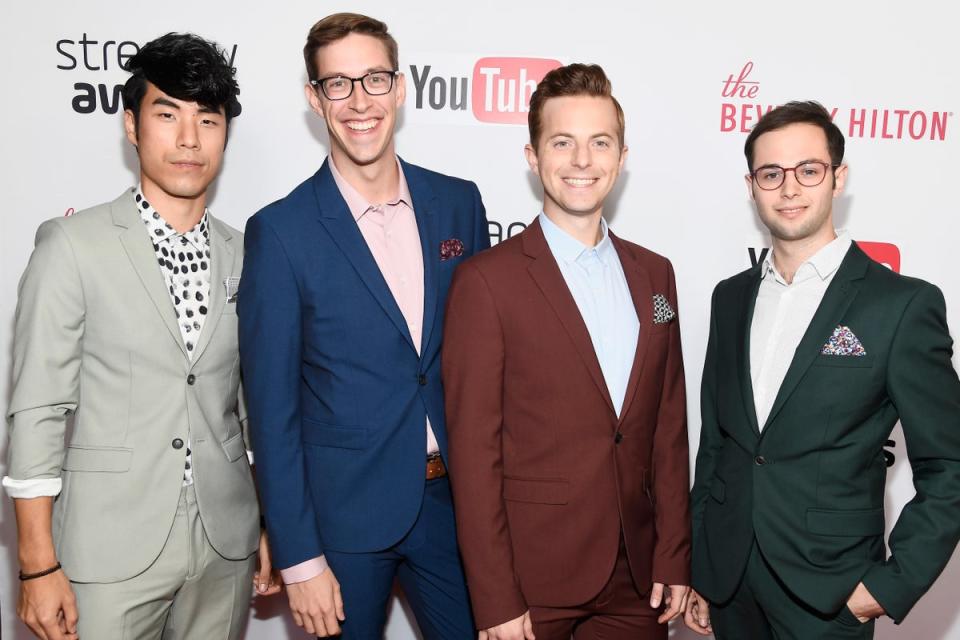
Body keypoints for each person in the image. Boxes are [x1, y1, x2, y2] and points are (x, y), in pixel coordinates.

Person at [5, 32, 277, 640]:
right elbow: (37, 410)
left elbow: (252, 405)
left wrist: (267, 522)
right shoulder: (71, 245)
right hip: (107, 549)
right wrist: (35, 563)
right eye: (167, 115)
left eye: (207, 120)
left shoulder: (249, 251)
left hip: (224, 542)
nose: (188, 139)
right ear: (131, 126)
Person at [238, 12, 489, 639]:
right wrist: (297, 556)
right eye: (338, 84)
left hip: (455, 507)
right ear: (314, 99)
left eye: (374, 80)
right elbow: (272, 413)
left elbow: (483, 365)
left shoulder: (459, 202)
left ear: (401, 89)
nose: (359, 102)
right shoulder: (282, 231)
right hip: (341, 522)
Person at [685, 101, 960, 639]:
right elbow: (716, 445)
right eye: (771, 174)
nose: (790, 189)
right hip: (729, 584)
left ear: (838, 177)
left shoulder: (900, 306)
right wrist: (701, 563)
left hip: (830, 597)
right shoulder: (730, 298)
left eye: (808, 170)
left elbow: (950, 464)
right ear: (751, 186)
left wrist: (887, 587)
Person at [442, 63, 691, 640]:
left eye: (599, 142)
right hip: (531, 583)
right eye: (563, 142)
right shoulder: (487, 282)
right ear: (532, 156)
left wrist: (676, 554)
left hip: (639, 578)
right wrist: (495, 597)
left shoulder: (656, 276)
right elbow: (475, 456)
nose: (582, 161)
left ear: (621, 156)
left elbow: (668, 428)